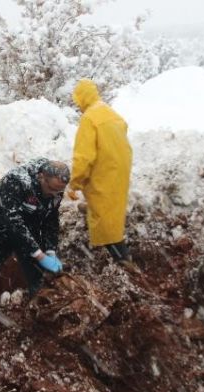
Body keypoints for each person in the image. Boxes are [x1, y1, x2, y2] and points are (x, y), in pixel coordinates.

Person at [0, 158, 69, 355]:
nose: (53, 196)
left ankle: (40, 327)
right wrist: (39, 254)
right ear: (41, 177)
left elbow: (51, 221)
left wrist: (50, 251)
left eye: (58, 193)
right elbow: (12, 222)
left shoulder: (56, 190)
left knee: (38, 277)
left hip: (28, 230)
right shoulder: (16, 181)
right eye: (51, 190)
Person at [68, 78, 134, 265]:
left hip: (103, 171)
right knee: (111, 210)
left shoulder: (89, 118)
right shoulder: (111, 113)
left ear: (81, 98)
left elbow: (83, 156)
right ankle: (121, 252)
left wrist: (75, 182)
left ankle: (123, 259)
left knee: (103, 218)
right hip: (119, 169)